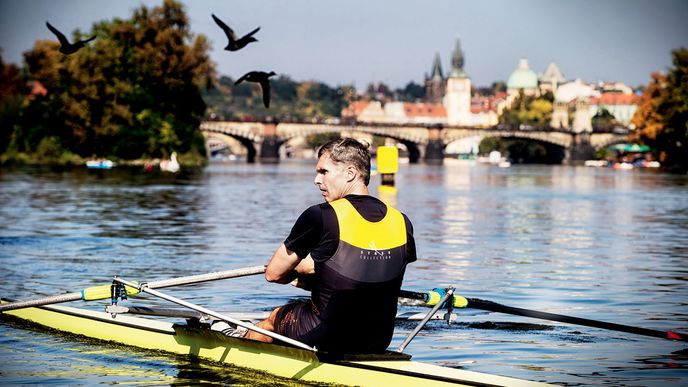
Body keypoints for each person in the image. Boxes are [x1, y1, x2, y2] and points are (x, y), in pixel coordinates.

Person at [245, 137, 417, 353]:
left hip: (327, 334)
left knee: (272, 321)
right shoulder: (402, 221)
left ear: (350, 173)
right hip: (379, 338)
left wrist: (304, 273)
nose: (316, 180)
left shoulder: (320, 215)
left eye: (323, 172)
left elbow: (273, 274)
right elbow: (373, 272)